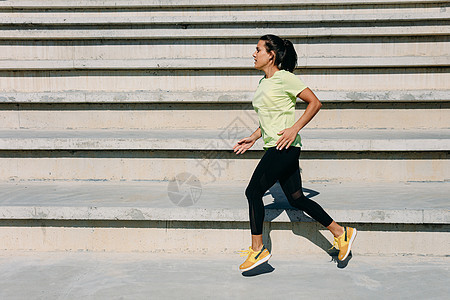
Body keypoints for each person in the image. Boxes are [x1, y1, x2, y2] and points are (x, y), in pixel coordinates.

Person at [233, 34, 357, 272]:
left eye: (258, 49)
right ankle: (341, 232)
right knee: (296, 199)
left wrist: (294, 129)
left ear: (271, 54)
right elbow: (270, 118)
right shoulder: (263, 83)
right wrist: (253, 136)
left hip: (284, 147)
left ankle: (257, 248)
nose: (253, 53)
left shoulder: (285, 78)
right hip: (275, 145)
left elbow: (315, 103)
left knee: (253, 191)